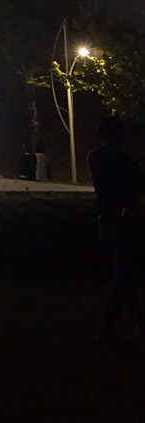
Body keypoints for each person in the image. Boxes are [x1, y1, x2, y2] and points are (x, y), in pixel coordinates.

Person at [87, 116, 145, 350]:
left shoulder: (94, 157)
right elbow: (141, 184)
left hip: (107, 220)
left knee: (125, 275)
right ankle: (106, 330)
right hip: (126, 222)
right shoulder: (121, 159)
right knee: (123, 276)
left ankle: (140, 323)